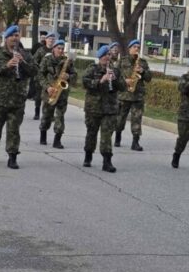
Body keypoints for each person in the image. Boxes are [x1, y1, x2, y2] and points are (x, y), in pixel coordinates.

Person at [0, 25, 38, 169]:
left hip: (17, 100)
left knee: (14, 130)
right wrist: (6, 66)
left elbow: (34, 71)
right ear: (6, 38)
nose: (15, 38)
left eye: (17, 35)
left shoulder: (25, 54)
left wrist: (23, 63)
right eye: (12, 36)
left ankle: (12, 157)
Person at [82, 44, 125, 172]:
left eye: (109, 55)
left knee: (106, 136)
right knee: (91, 133)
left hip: (110, 109)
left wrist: (115, 79)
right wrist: (101, 80)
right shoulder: (92, 69)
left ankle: (107, 161)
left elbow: (123, 87)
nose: (108, 57)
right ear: (100, 57)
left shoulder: (115, 70)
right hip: (93, 108)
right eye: (105, 55)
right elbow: (85, 82)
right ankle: (88, 156)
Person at [115, 39, 152, 151]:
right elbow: (116, 75)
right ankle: (117, 137)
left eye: (138, 47)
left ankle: (135, 142)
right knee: (120, 118)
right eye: (134, 47)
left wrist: (143, 71)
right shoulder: (122, 60)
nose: (136, 49)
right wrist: (124, 80)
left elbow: (149, 78)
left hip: (138, 96)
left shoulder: (143, 62)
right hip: (124, 94)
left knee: (137, 119)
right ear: (130, 48)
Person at [38, 39, 76, 148]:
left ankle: (57, 140)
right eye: (58, 48)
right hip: (49, 92)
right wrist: (47, 87)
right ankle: (43, 135)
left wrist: (69, 76)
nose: (60, 50)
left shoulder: (67, 61)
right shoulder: (46, 60)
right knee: (47, 115)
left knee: (60, 116)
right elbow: (40, 75)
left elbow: (75, 75)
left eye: (62, 48)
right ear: (53, 48)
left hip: (62, 93)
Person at [32, 33, 56, 120]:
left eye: (53, 39)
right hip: (41, 76)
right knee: (38, 96)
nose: (51, 41)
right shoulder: (40, 50)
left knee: (52, 96)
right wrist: (39, 70)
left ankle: (50, 114)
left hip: (51, 78)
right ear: (46, 40)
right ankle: (37, 112)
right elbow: (34, 61)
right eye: (49, 39)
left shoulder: (55, 50)